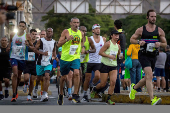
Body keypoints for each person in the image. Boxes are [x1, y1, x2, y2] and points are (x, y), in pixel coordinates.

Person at [129, 9, 167, 105]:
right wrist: (138, 42)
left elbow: (165, 44)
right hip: (143, 55)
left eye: (155, 16)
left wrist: (160, 44)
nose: (154, 18)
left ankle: (134, 88)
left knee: (148, 77)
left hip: (153, 56)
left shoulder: (159, 31)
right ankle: (152, 99)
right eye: (152, 16)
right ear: (147, 17)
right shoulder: (141, 29)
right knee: (149, 75)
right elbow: (132, 39)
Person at [57, 17, 85, 105]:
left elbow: (82, 42)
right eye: (74, 22)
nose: (76, 24)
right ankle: (61, 94)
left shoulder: (81, 33)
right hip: (65, 58)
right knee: (64, 77)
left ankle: (75, 94)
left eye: (77, 22)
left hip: (75, 57)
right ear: (71, 23)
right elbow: (58, 44)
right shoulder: (66, 31)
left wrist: (82, 48)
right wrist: (67, 39)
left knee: (77, 73)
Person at [90, 30, 121, 105]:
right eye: (115, 35)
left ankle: (109, 99)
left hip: (113, 65)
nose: (117, 36)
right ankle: (94, 89)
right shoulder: (108, 44)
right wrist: (109, 56)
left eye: (118, 35)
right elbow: (100, 52)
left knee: (113, 82)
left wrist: (120, 55)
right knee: (103, 84)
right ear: (111, 36)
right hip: (105, 65)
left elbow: (118, 54)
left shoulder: (118, 45)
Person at [6, 21, 34, 102]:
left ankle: (16, 88)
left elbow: (32, 46)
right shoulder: (12, 34)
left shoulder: (27, 36)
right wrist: (8, 47)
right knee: (14, 74)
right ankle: (14, 94)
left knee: (18, 76)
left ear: (25, 28)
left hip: (22, 58)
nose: (21, 27)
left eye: (23, 26)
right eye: (20, 26)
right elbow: (10, 42)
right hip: (13, 56)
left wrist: (28, 44)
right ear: (17, 26)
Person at [35, 28, 56, 102]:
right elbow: (35, 49)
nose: (49, 33)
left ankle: (44, 94)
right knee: (38, 78)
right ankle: (36, 86)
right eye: (48, 31)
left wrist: (56, 58)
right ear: (46, 33)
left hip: (48, 63)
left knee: (47, 77)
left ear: (52, 33)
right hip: (40, 62)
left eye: (51, 32)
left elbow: (54, 52)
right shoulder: (41, 41)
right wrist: (43, 53)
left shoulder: (54, 42)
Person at [78, 26, 96, 102]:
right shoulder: (76, 39)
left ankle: (84, 90)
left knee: (85, 77)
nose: (84, 32)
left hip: (85, 61)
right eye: (82, 31)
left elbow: (94, 49)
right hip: (77, 60)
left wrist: (88, 51)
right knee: (78, 75)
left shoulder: (89, 39)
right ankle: (75, 92)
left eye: (85, 31)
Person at [23, 29, 38, 101]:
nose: (34, 36)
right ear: (30, 34)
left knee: (32, 80)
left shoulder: (38, 43)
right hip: (27, 63)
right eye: (33, 34)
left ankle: (29, 94)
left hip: (34, 63)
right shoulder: (26, 42)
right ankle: (25, 84)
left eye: (35, 34)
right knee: (26, 78)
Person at [114, 20, 126, 93]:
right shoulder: (123, 35)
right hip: (122, 56)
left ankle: (117, 91)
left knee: (116, 74)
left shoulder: (117, 35)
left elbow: (115, 45)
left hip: (116, 56)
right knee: (118, 73)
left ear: (115, 26)